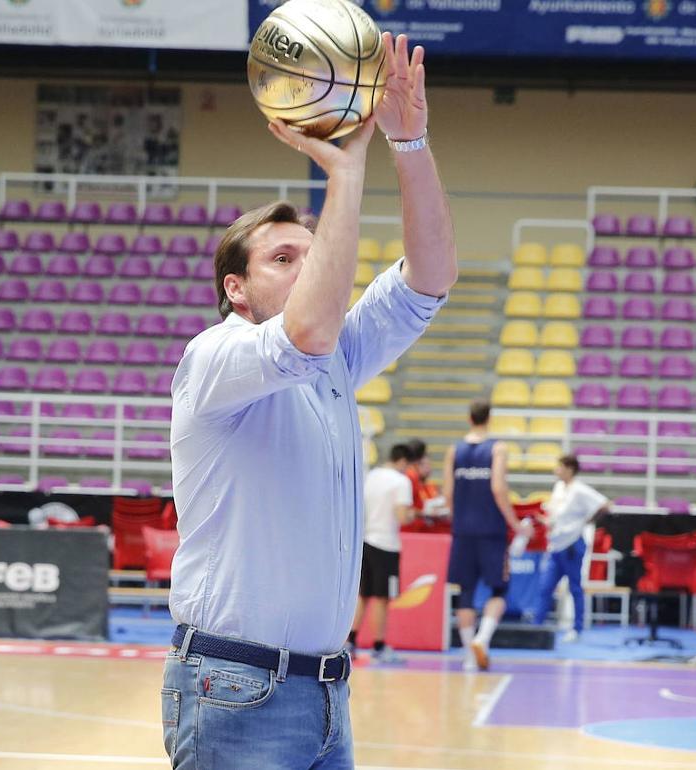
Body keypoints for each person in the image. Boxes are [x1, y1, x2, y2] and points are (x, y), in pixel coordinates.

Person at [163, 33, 455, 769]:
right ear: (235, 287)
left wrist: (409, 142)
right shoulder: (217, 355)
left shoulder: (334, 358)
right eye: (282, 257)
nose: (305, 265)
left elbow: (432, 276)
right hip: (236, 685)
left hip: (327, 690)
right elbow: (308, 329)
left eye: (311, 252)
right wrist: (345, 172)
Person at [443, 399, 523, 671]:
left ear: (469, 418)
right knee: (499, 589)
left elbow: (448, 493)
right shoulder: (497, 448)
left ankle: (469, 654)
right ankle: (482, 639)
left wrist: (458, 519)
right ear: (489, 418)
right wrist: (515, 523)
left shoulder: (454, 450)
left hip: (463, 530)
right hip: (491, 530)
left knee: (465, 591)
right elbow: (499, 488)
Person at [531, 454, 612, 642]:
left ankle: (577, 629)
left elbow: (605, 505)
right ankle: (536, 627)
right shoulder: (559, 487)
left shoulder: (580, 490)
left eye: (559, 467)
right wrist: (546, 521)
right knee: (545, 587)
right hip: (556, 545)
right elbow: (557, 514)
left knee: (575, 587)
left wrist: (587, 521)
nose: (556, 470)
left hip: (572, 544)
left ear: (569, 469)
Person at [348, 443, 415, 663]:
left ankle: (350, 641)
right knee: (381, 598)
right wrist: (416, 513)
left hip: (366, 540)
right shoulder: (401, 481)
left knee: (363, 595)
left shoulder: (372, 475)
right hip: (386, 545)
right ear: (403, 461)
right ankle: (378, 646)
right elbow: (403, 516)